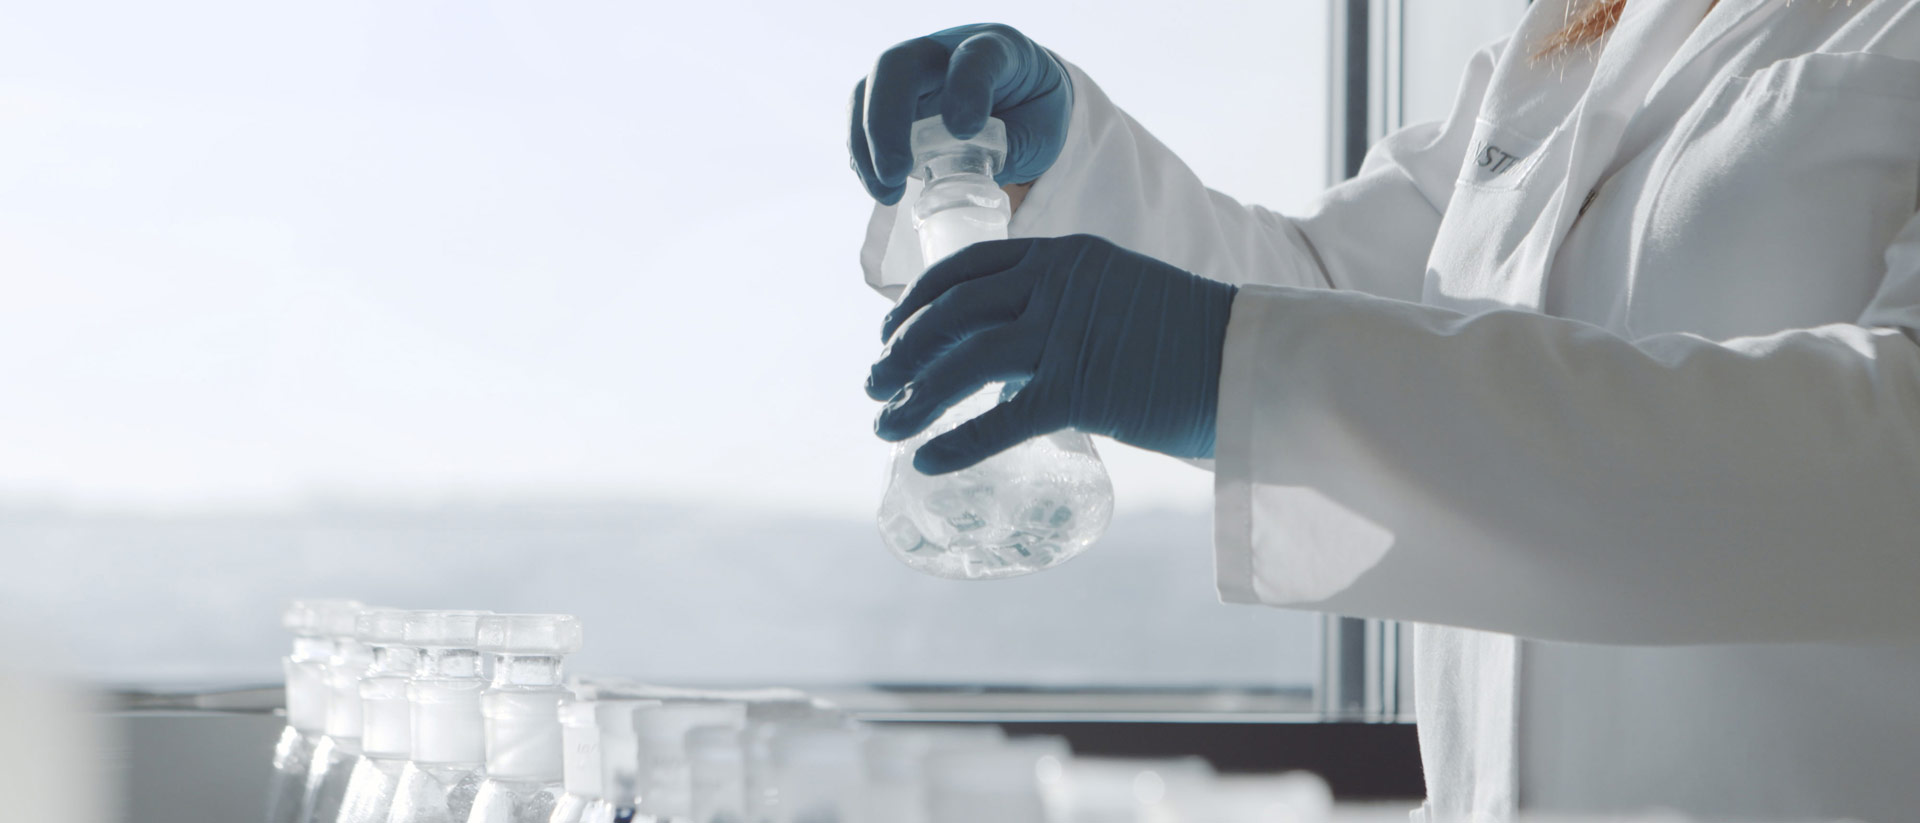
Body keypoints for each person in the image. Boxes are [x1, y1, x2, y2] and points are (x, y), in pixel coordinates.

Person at [850, 1, 1920, 821]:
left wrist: (1225, 366)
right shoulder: (1581, 38)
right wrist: (1067, 165)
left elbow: (1894, 459)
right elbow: (1334, 290)